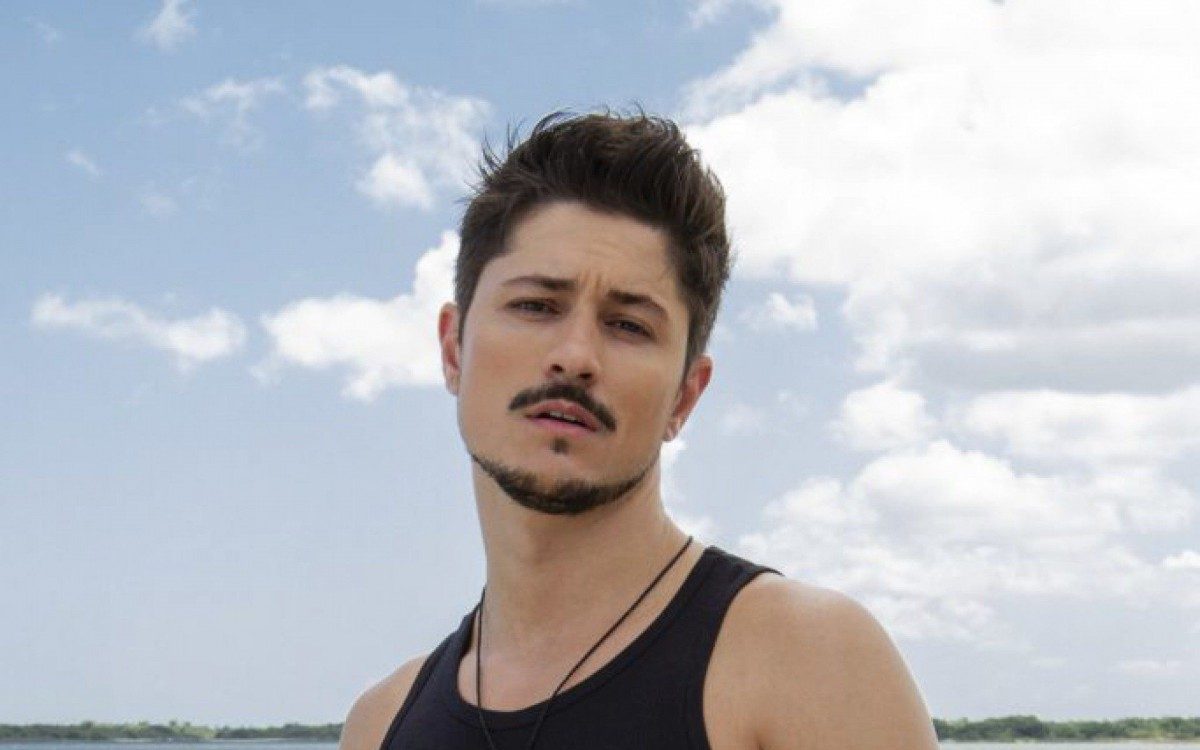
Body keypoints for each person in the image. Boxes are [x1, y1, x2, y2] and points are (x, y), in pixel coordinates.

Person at [339, 110, 939, 749]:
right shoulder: (380, 725)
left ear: (686, 394)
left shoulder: (802, 662)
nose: (575, 356)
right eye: (536, 306)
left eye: (628, 325)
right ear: (453, 348)